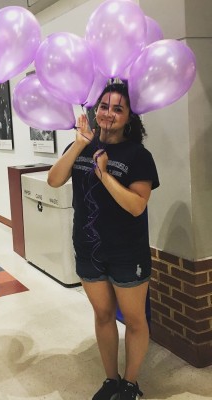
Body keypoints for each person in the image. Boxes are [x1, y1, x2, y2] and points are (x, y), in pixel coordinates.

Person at [48, 83, 159, 400]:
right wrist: (78, 145)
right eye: (104, 106)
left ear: (128, 117)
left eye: (118, 108)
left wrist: (105, 175)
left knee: (135, 320)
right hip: (87, 248)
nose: (109, 113)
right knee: (102, 315)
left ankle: (130, 383)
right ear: (95, 110)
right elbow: (54, 180)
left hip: (127, 252)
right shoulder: (83, 144)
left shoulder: (138, 155)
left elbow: (137, 205)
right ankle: (111, 379)